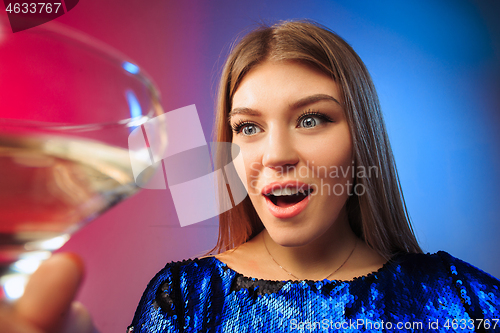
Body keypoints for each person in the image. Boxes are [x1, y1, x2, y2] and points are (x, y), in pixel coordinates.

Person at [2, 20, 499, 333]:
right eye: (248, 127)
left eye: (312, 119)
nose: (276, 154)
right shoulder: (185, 299)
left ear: (361, 139)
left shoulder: (465, 298)